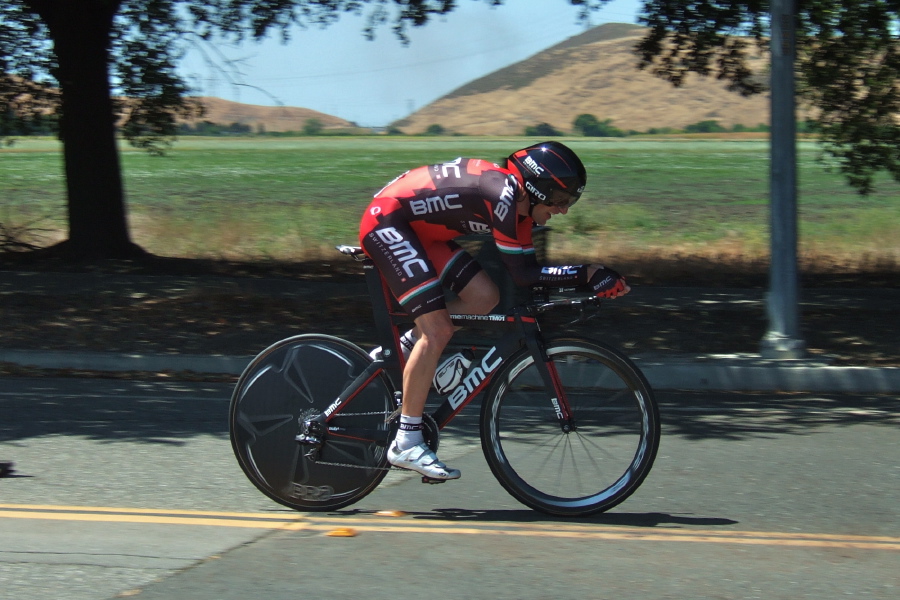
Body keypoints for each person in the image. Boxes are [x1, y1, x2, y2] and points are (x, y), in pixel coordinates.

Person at [359, 141, 630, 480]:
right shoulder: (503, 195)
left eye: (570, 202)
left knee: (484, 296)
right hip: (388, 223)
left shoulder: (520, 209)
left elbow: (527, 275)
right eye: (561, 200)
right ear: (535, 188)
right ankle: (406, 441)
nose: (564, 211)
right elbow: (523, 274)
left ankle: (408, 348)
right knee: (438, 330)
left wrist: (586, 279)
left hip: (420, 232)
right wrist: (587, 274)